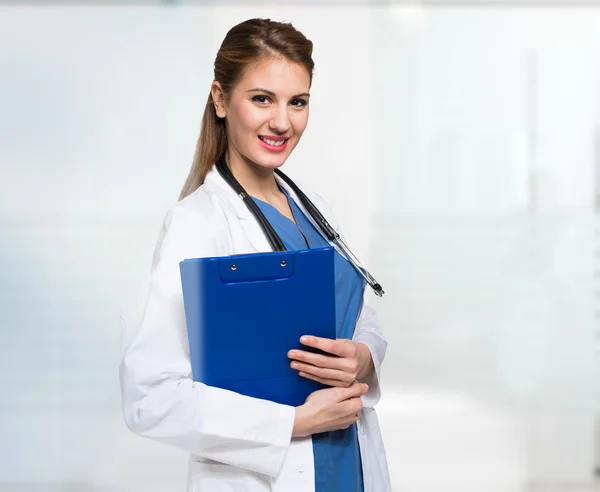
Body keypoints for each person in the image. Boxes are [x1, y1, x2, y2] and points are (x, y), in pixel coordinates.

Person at [119, 17, 390, 492]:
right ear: (221, 99)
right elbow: (150, 396)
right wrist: (289, 423)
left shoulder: (315, 209)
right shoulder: (198, 223)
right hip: (270, 474)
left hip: (350, 466)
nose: (282, 122)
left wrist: (365, 356)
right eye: (262, 98)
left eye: (297, 102)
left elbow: (359, 315)